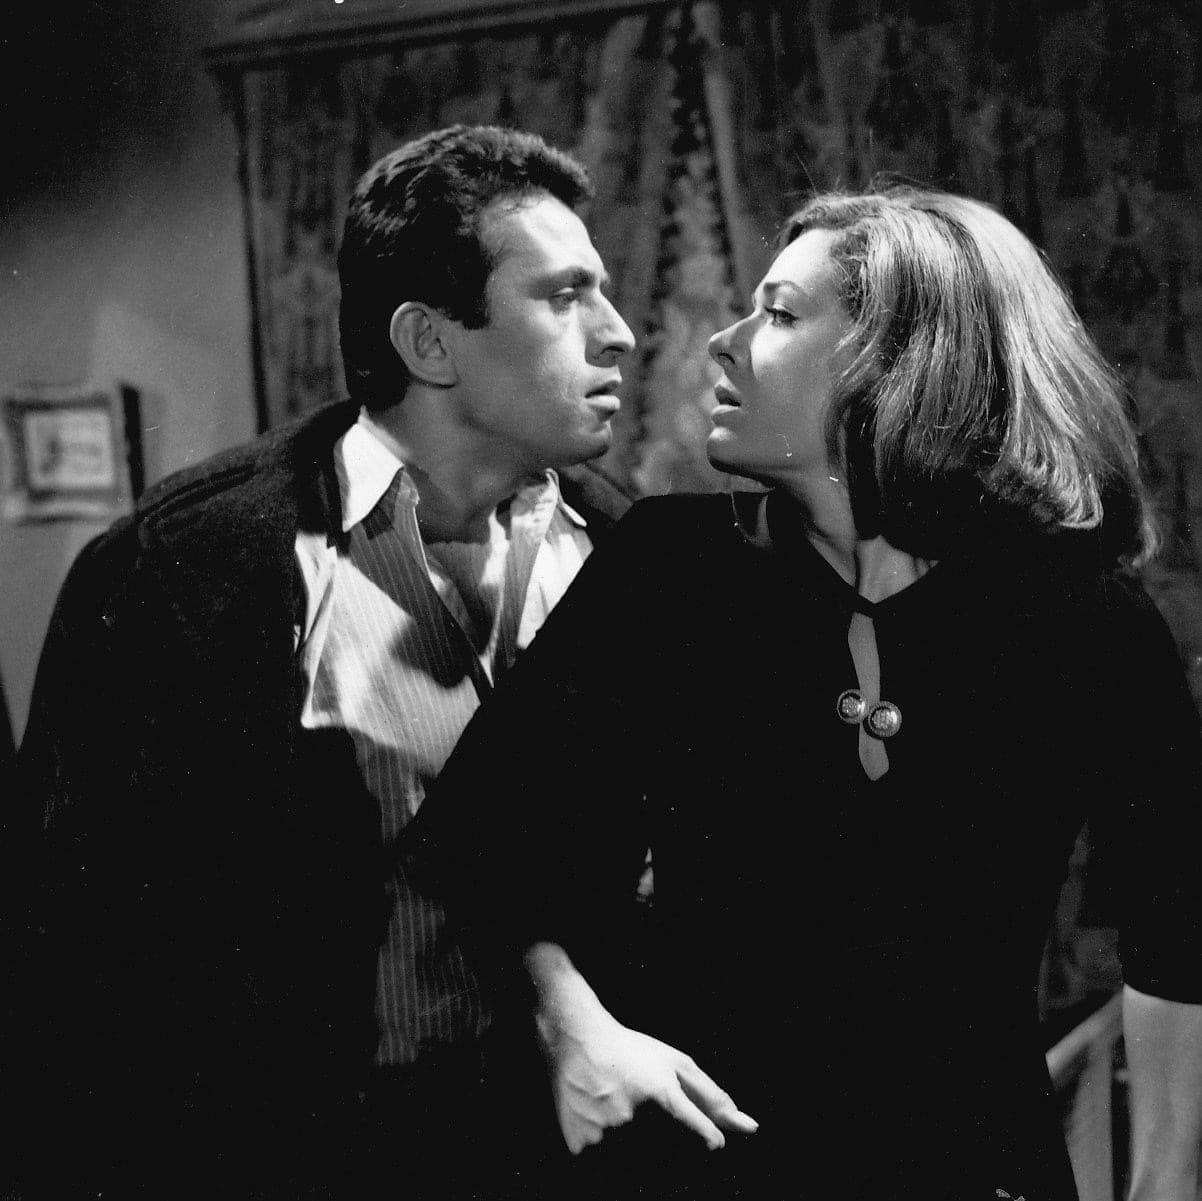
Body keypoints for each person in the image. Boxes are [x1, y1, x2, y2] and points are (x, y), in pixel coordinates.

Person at [406, 185, 1202, 1199]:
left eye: (779, 315)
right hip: (703, 1160)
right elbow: (486, 847)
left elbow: (1179, 926)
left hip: (971, 1168)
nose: (724, 344)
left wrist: (1163, 1184)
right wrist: (576, 1028)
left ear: (900, 361)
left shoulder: (1080, 617)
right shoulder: (669, 571)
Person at [11, 123, 635, 1198]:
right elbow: (71, 955)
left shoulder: (619, 549)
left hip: (569, 1152)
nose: (617, 333)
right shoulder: (183, 569)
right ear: (429, 342)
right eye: (563, 296)